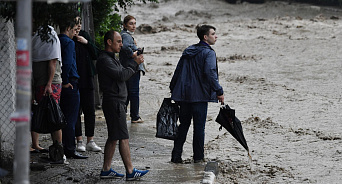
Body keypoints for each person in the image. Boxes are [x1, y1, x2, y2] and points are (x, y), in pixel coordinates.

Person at [97, 30, 149, 180]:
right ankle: (130, 171)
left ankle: (106, 169)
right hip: (114, 103)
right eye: (119, 41)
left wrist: (132, 61)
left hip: (115, 102)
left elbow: (122, 72)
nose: (121, 44)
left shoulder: (111, 58)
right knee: (123, 137)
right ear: (109, 42)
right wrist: (135, 63)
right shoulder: (105, 60)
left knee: (113, 137)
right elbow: (122, 75)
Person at [169, 25, 225, 163]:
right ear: (205, 37)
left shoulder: (189, 50)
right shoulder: (209, 53)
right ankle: (198, 158)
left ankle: (176, 157)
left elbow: (178, 71)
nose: (216, 36)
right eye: (213, 34)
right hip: (199, 97)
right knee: (199, 128)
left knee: (183, 125)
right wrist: (219, 91)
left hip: (184, 95)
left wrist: (173, 90)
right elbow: (210, 73)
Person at [31, 25, 63, 155]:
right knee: (44, 113)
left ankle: (58, 151)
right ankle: (48, 148)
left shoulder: (49, 35)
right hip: (41, 81)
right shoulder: (37, 35)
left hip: (49, 82)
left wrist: (49, 84)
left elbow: (53, 61)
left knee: (53, 116)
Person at [58, 19, 88, 159]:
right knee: (71, 118)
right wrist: (66, 81)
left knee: (63, 117)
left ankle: (63, 146)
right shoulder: (69, 42)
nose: (75, 32)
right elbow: (68, 62)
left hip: (61, 83)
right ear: (68, 28)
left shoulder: (57, 40)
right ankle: (70, 149)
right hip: (70, 83)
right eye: (74, 29)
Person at [73, 17, 101, 152]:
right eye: (75, 24)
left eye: (79, 23)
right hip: (75, 80)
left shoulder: (84, 35)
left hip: (87, 78)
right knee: (76, 110)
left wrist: (87, 42)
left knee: (90, 110)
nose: (78, 26)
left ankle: (91, 140)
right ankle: (79, 141)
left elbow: (96, 54)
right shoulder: (67, 39)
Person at [119, 15, 145, 123]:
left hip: (128, 67)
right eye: (131, 23)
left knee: (128, 92)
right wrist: (133, 54)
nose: (133, 26)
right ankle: (135, 116)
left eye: (134, 23)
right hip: (132, 68)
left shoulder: (125, 35)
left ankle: (122, 113)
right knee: (134, 92)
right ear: (125, 25)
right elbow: (124, 47)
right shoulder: (126, 35)